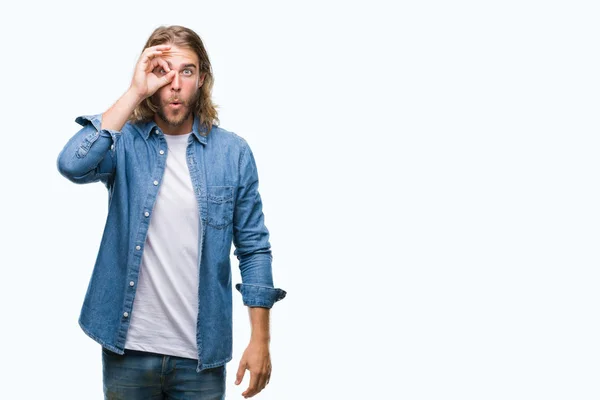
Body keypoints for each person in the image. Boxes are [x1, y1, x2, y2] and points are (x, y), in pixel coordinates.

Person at [56, 25, 286, 399]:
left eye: (187, 71)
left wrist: (261, 341)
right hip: (127, 349)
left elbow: (254, 248)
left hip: (200, 357)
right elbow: (72, 164)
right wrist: (134, 92)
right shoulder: (126, 142)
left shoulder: (233, 153)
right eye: (163, 71)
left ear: (202, 79)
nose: (175, 84)